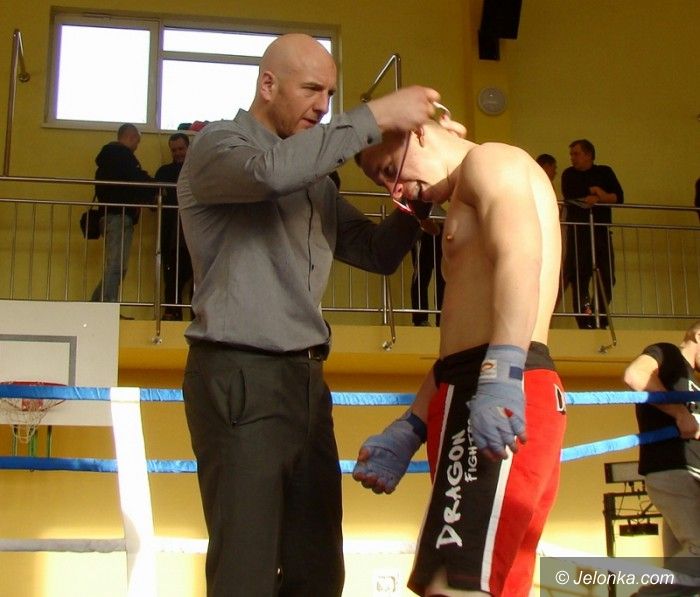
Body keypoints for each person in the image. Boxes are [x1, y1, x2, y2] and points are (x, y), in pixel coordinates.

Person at [176, 32, 444, 597]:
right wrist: (375, 116)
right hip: (239, 373)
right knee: (246, 571)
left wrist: (419, 194)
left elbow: (375, 253)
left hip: (305, 381)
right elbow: (269, 174)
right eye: (312, 90)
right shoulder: (218, 146)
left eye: (330, 95)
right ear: (268, 85)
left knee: (319, 571)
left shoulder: (314, 180)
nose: (323, 106)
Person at [352, 119, 567, 596]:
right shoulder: (464, 197)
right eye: (382, 183)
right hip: (474, 384)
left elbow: (520, 259)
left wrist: (502, 371)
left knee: (454, 583)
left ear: (420, 132)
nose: (394, 190)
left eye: (389, 169)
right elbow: (462, 342)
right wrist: (411, 424)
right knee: (486, 582)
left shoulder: (490, 160)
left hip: (500, 383)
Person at [624, 324, 700, 596]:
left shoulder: (692, 381)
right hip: (673, 470)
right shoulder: (668, 353)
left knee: (685, 576)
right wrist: (680, 414)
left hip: (689, 473)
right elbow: (635, 375)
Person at [561, 139, 623, 329]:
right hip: (578, 233)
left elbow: (618, 197)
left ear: (588, 155)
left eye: (576, 154)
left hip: (600, 232)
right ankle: (586, 320)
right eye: (571, 154)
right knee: (580, 278)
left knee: (607, 277)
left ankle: (600, 317)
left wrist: (599, 195)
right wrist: (600, 197)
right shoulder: (569, 174)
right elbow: (575, 198)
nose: (572, 158)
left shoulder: (605, 172)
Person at [92, 123, 154, 306]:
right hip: (118, 216)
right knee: (117, 266)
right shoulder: (122, 156)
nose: (136, 146)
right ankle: (105, 306)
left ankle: (97, 304)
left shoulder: (108, 158)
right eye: (137, 142)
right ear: (132, 137)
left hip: (110, 215)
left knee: (116, 265)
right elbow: (135, 179)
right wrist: (154, 188)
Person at [155, 132, 192, 321]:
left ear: (189, 148)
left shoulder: (199, 169)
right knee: (172, 278)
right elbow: (155, 201)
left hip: (195, 236)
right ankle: (172, 315)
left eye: (181, 149)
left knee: (199, 281)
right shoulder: (164, 172)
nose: (177, 153)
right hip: (173, 236)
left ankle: (199, 319)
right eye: (174, 150)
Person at [411, 203, 446, 327]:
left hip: (440, 231)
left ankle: (441, 319)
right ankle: (420, 319)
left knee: (442, 278)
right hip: (422, 231)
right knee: (421, 276)